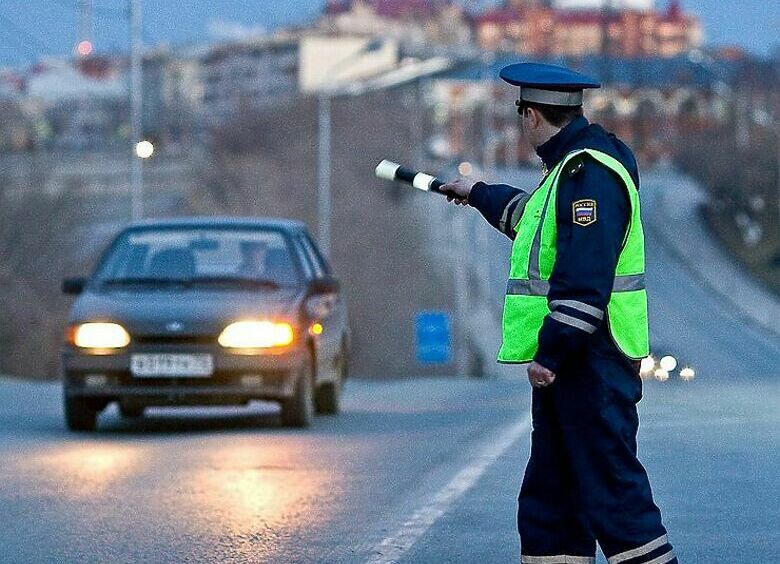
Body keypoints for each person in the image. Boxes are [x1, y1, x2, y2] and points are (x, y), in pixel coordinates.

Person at [440, 62, 677, 564]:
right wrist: (478, 193)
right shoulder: (569, 168)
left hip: (591, 361)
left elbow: (584, 274)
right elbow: (534, 224)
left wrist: (550, 354)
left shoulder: (590, 173)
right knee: (552, 505)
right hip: (576, 367)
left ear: (530, 115)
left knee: (616, 501)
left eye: (519, 112)